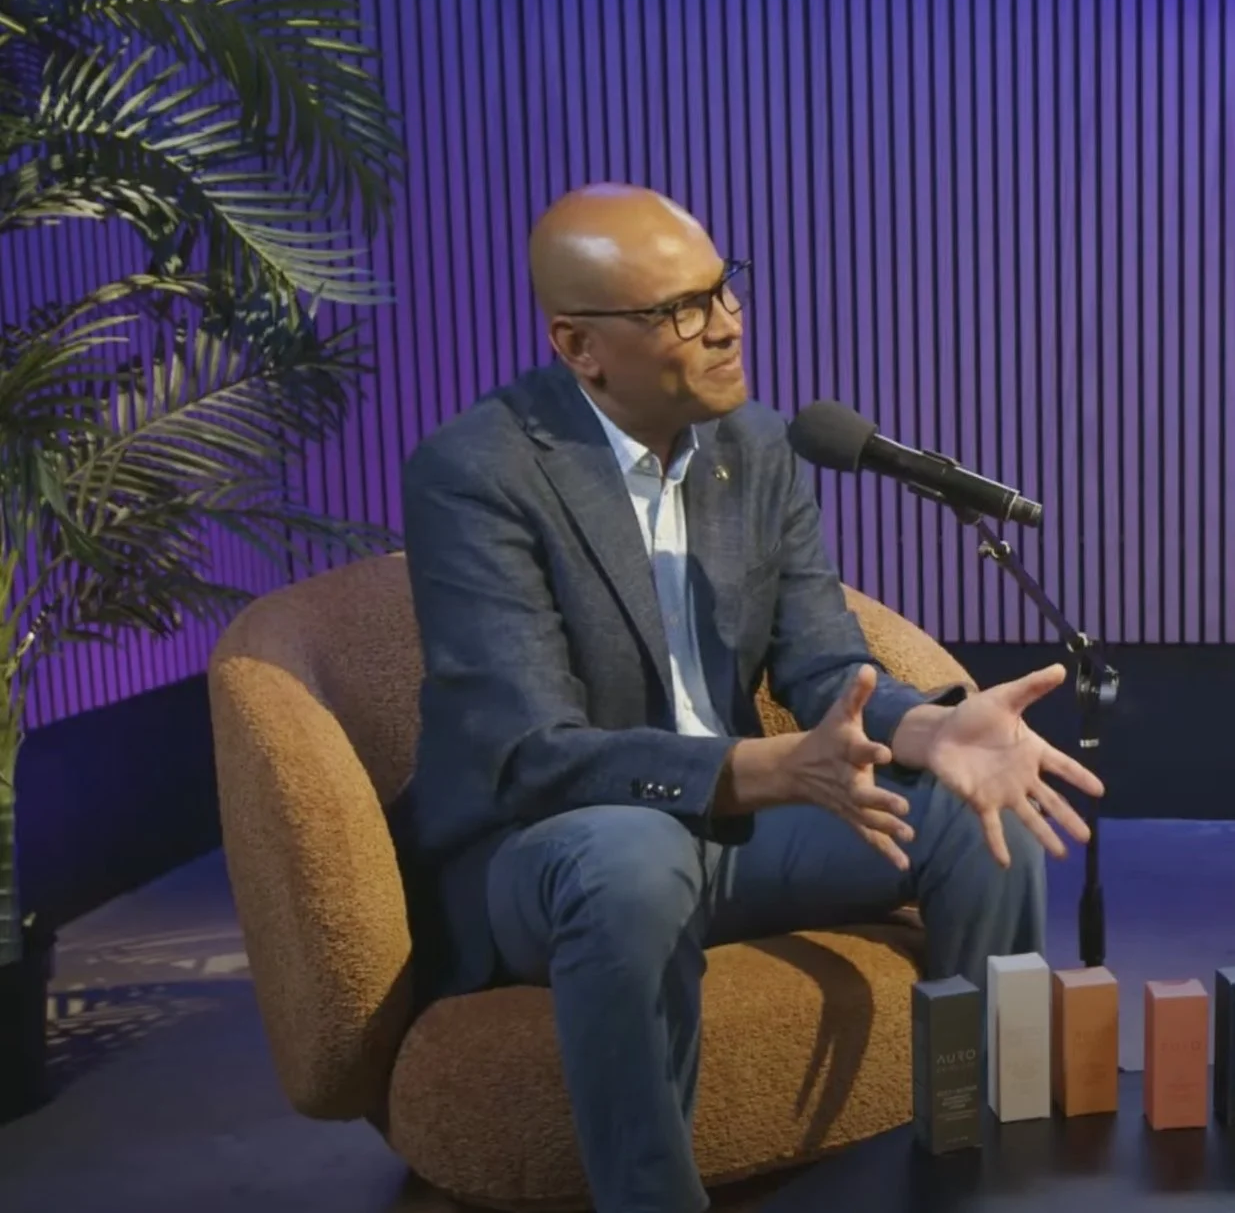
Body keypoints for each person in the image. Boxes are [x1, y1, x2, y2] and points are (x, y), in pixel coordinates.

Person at [390, 182, 1105, 1213]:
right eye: (682, 310)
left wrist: (931, 727)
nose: (728, 323)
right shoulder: (478, 470)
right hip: (550, 843)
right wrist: (765, 767)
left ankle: (984, 1165)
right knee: (631, 859)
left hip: (729, 827)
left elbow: (821, 661)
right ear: (580, 345)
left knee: (975, 819)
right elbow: (531, 750)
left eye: (725, 287)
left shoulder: (756, 445)